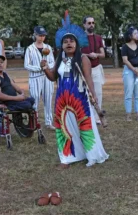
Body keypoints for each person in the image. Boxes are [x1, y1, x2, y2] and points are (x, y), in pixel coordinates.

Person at [41, 25, 109, 169]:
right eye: (66, 42)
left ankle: (91, 155)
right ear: (62, 45)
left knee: (85, 127)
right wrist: (45, 68)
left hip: (79, 99)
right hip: (62, 101)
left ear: (77, 44)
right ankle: (66, 158)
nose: (69, 43)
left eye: (72, 41)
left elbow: (88, 78)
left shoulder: (83, 59)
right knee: (63, 128)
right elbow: (53, 77)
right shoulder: (60, 58)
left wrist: (93, 95)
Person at [24, 26, 55, 130]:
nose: (42, 37)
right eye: (40, 35)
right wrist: (39, 68)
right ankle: (34, 122)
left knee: (48, 100)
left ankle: (49, 122)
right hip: (35, 78)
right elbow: (26, 65)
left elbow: (52, 62)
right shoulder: (30, 48)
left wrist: (46, 67)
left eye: (43, 35)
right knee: (35, 100)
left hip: (47, 77)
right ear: (35, 35)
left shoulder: (48, 47)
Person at [81, 16, 105, 124]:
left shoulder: (98, 38)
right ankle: (87, 116)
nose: (91, 25)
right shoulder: (79, 38)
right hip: (83, 70)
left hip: (96, 68)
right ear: (84, 25)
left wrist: (96, 55)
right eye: (89, 23)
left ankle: (97, 117)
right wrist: (88, 55)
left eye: (93, 23)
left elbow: (103, 54)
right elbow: (77, 54)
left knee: (98, 93)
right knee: (84, 93)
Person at [121, 26, 138, 121]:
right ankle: (128, 114)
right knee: (128, 93)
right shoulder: (125, 47)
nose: (137, 35)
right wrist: (134, 70)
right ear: (130, 36)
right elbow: (125, 60)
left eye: (137, 33)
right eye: (135, 33)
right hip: (128, 71)